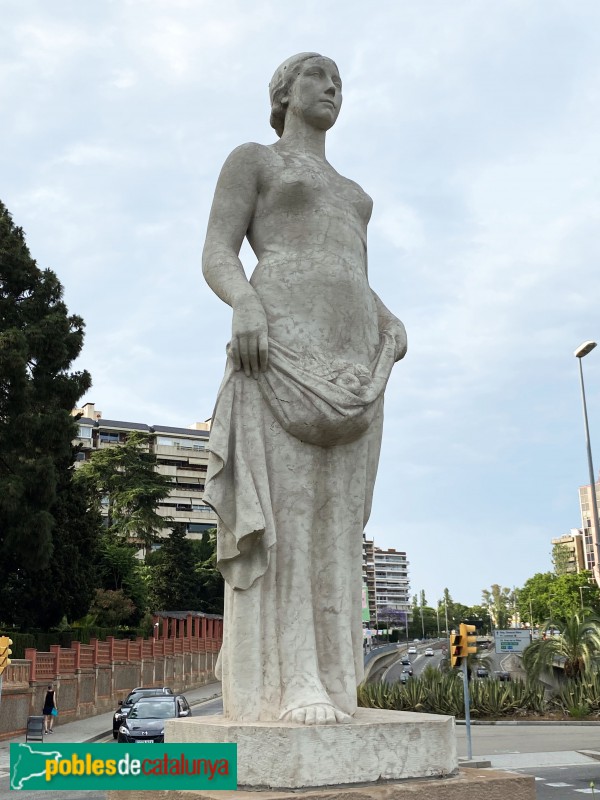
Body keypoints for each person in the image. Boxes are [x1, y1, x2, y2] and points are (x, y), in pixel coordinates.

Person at [202, 52, 407, 726]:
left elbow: (346, 266)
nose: (334, 87)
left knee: (338, 529)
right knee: (289, 526)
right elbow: (218, 250)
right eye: (321, 76)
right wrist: (244, 305)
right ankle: (292, 681)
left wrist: (386, 319)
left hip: (354, 369)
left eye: (342, 81)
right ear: (286, 91)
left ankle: (334, 677)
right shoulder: (256, 160)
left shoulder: (353, 193)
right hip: (279, 353)